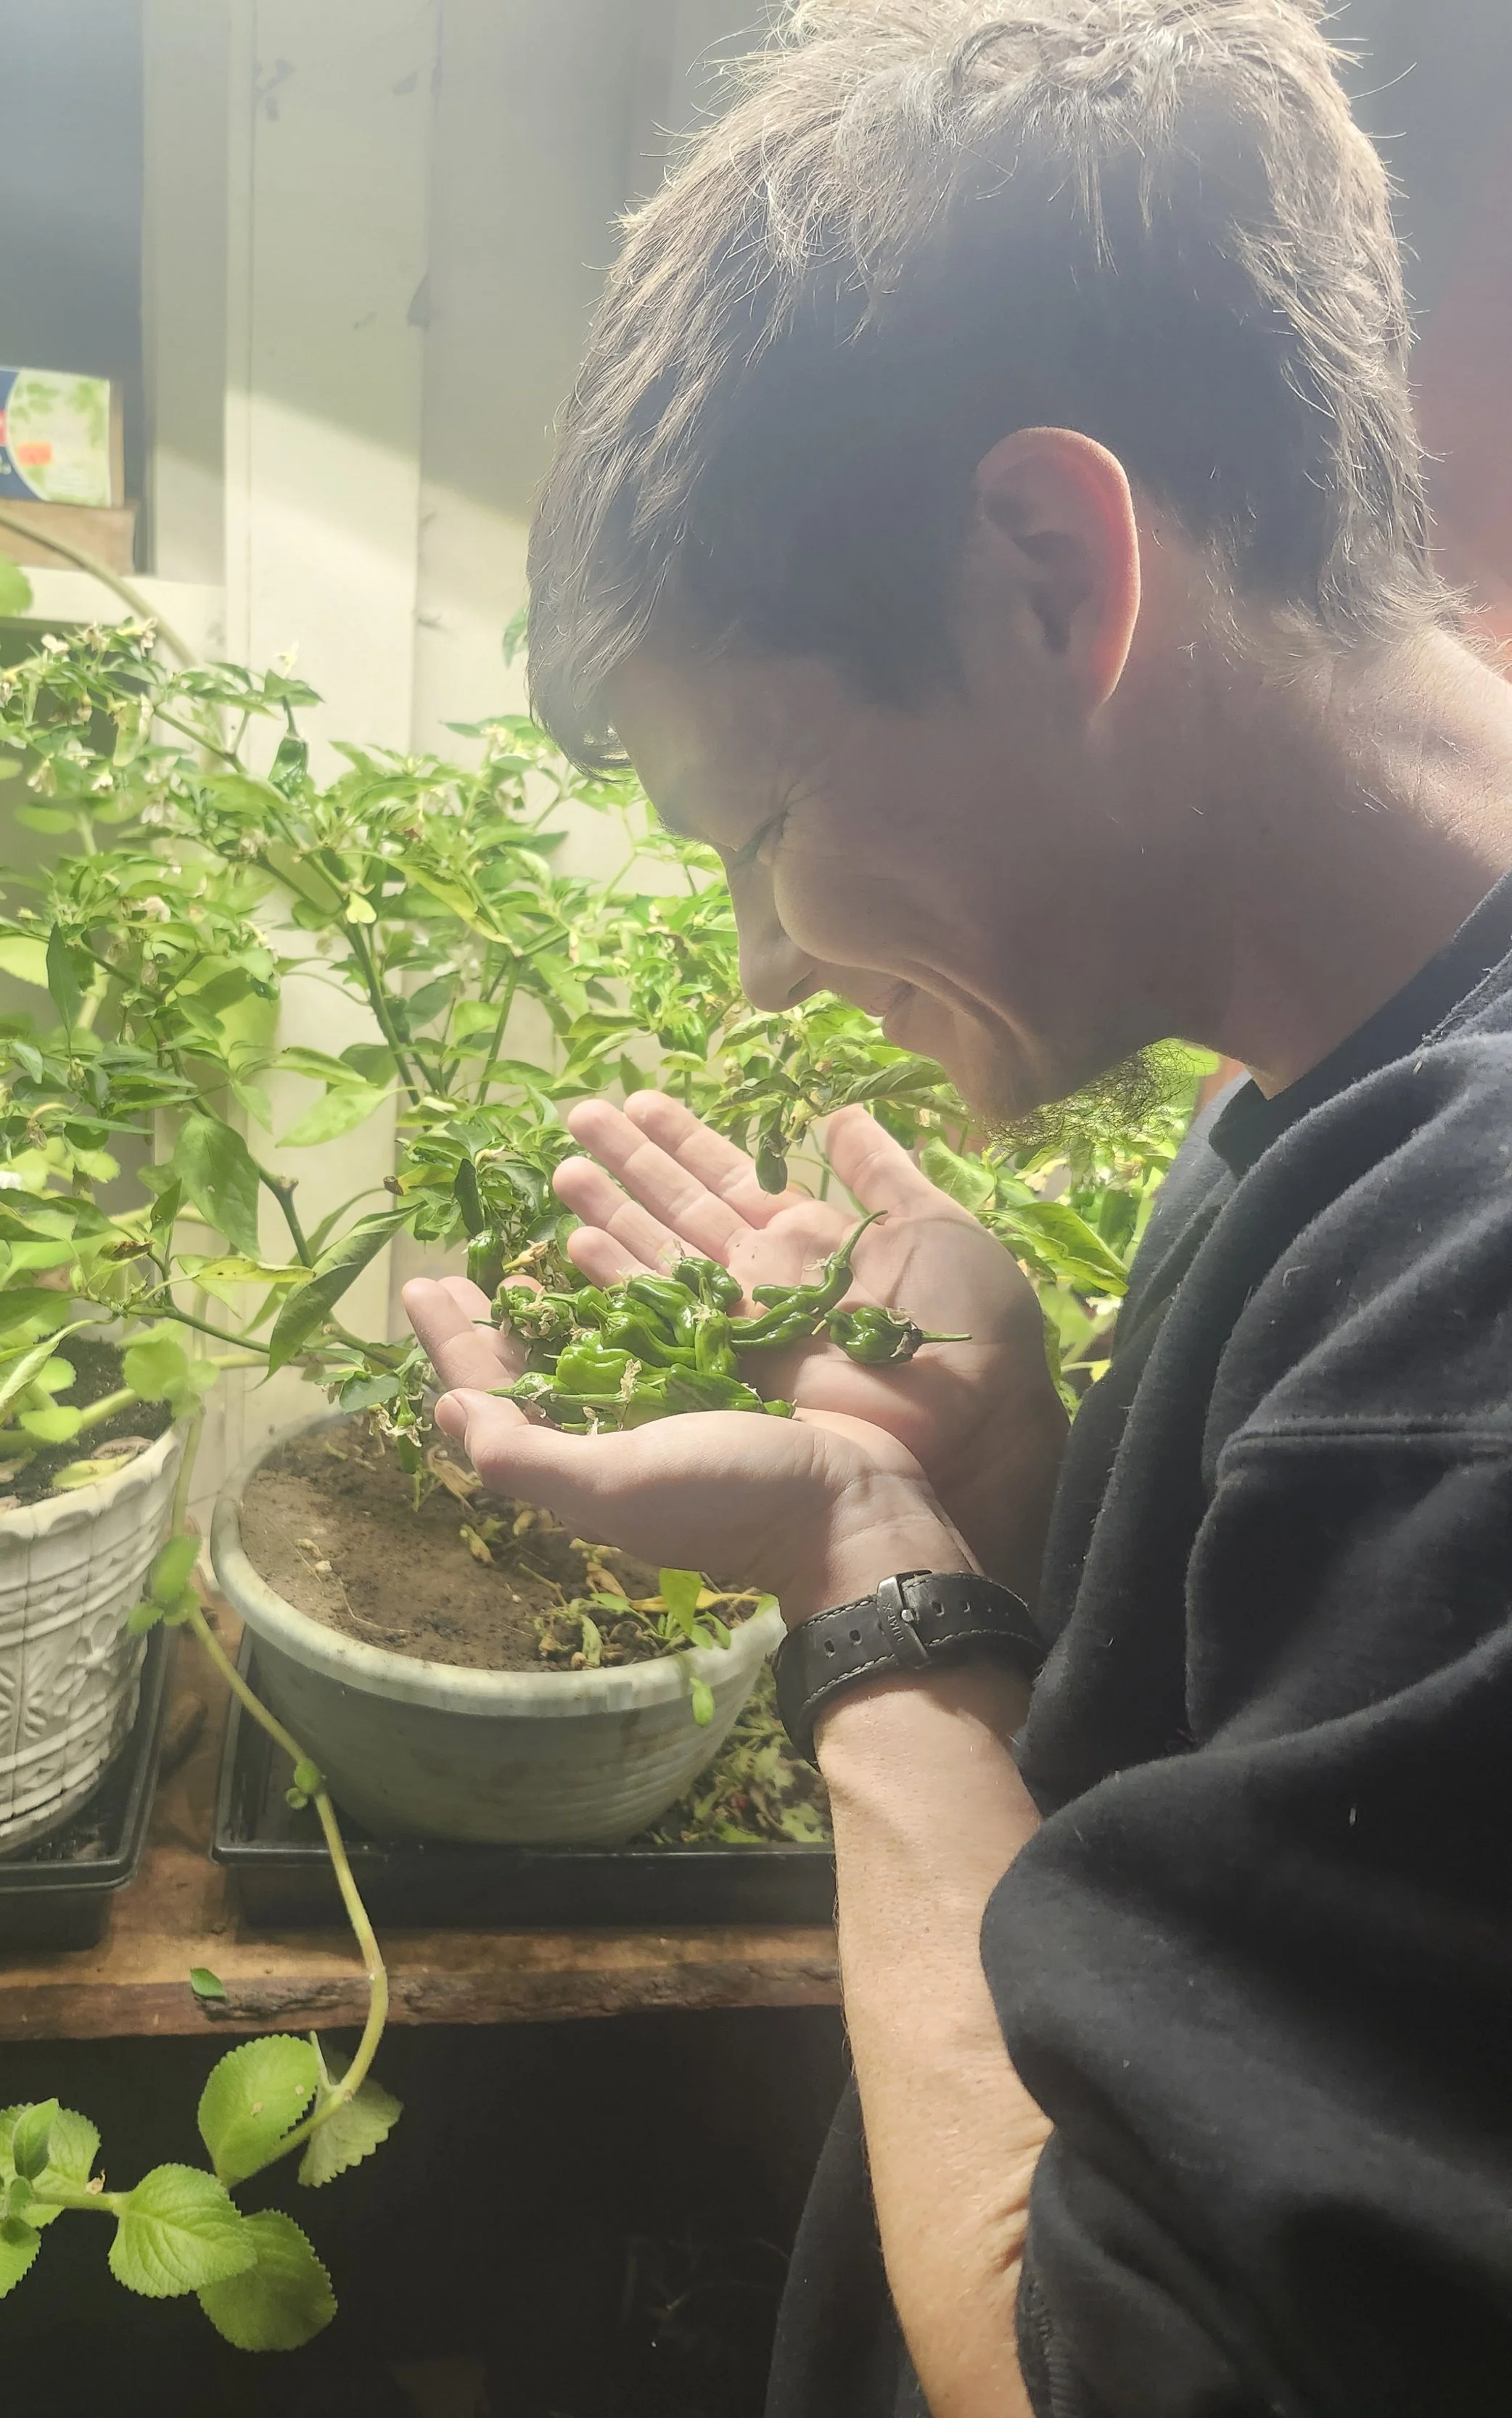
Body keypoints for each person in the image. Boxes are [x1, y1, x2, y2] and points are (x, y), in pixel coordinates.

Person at [404, 3, 1512, 2410]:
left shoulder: (1475, 1303)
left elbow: (1106, 2374)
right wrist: (1010, 1507)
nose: (761, 960)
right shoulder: (1352, 1055)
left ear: (1044, 569)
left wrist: (870, 1591)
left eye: (759, 820)